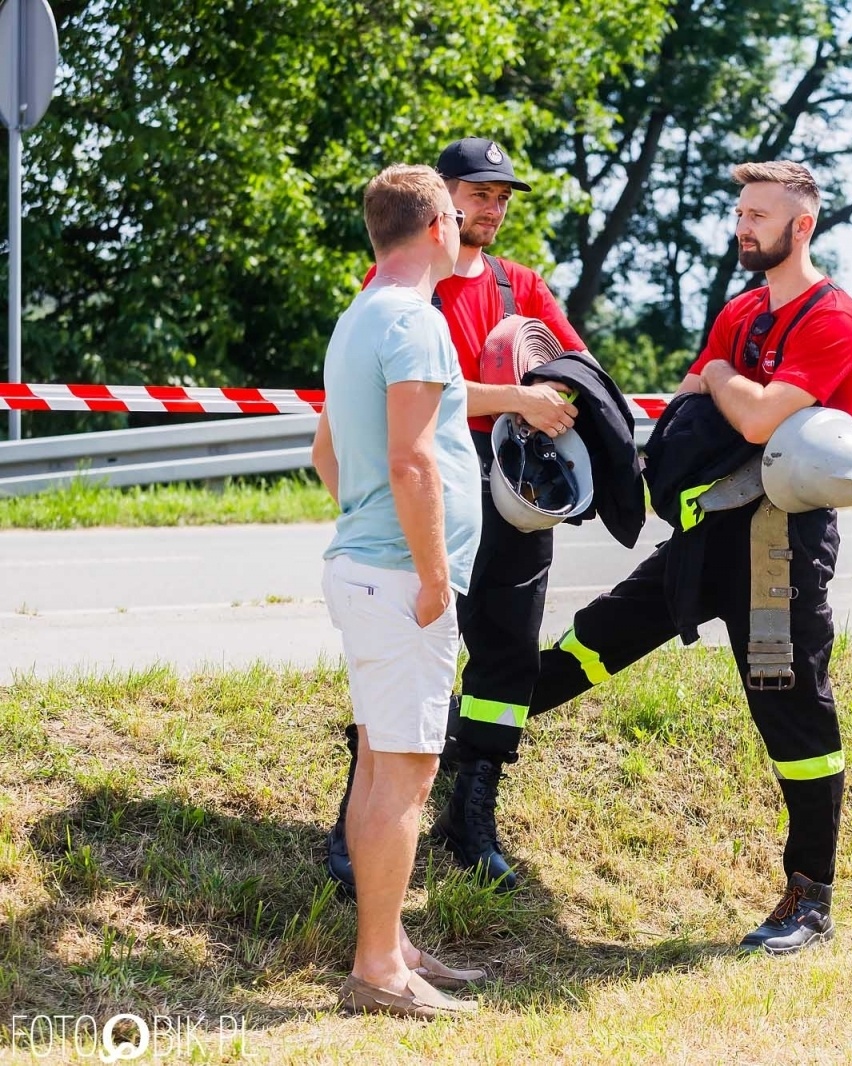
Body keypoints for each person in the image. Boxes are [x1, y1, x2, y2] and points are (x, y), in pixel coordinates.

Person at [525, 160, 852, 955]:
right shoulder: (741, 311)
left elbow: (750, 420)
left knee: (792, 711)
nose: (743, 226)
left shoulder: (832, 318)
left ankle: (808, 899)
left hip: (779, 548)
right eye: (741, 212)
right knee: (596, 638)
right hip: (705, 535)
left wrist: (721, 376)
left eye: (759, 215)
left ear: (802, 225)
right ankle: (460, 757)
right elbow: (686, 411)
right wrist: (722, 383)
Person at [324, 138, 586, 895]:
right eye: (478, 193)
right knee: (399, 673)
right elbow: (413, 401)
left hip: (511, 496)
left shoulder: (521, 286)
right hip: (431, 497)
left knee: (504, 661)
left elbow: (569, 373)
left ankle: (471, 820)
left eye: (503, 197)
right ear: (440, 201)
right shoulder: (401, 289)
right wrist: (514, 397)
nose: (493, 208)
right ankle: (359, 827)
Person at [311, 163, 484, 1017]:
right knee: (406, 777)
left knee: (381, 763)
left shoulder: (359, 317)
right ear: (435, 226)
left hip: (365, 568)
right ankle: (378, 970)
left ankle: (394, 944)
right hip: (400, 581)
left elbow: (325, 455)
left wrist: (368, 522)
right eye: (458, 213)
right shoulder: (415, 324)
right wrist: (432, 575)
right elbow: (414, 459)